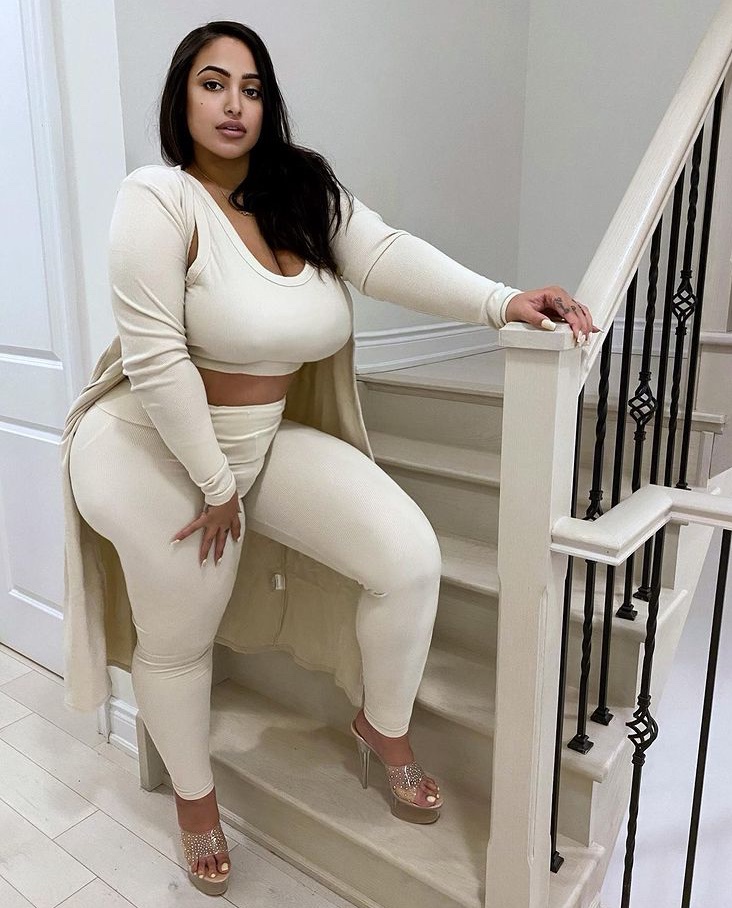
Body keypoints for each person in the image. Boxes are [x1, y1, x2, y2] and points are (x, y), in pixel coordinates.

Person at [62, 19, 599, 897]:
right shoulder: (157, 198)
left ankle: (381, 725)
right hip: (148, 447)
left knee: (407, 557)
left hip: (256, 440)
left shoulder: (300, 190)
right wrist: (215, 486)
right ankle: (196, 806)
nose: (234, 104)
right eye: (212, 83)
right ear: (181, 98)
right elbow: (156, 360)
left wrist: (503, 302)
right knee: (181, 634)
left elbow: (384, 255)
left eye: (252, 88)